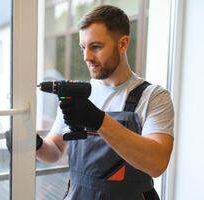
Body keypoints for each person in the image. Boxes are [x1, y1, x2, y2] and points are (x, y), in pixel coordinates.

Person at [35, 5, 174, 200]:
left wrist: (99, 121)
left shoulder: (153, 97)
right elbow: (55, 150)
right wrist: (36, 145)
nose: (87, 57)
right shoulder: (78, 95)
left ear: (123, 44)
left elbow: (157, 163)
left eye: (96, 47)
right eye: (83, 48)